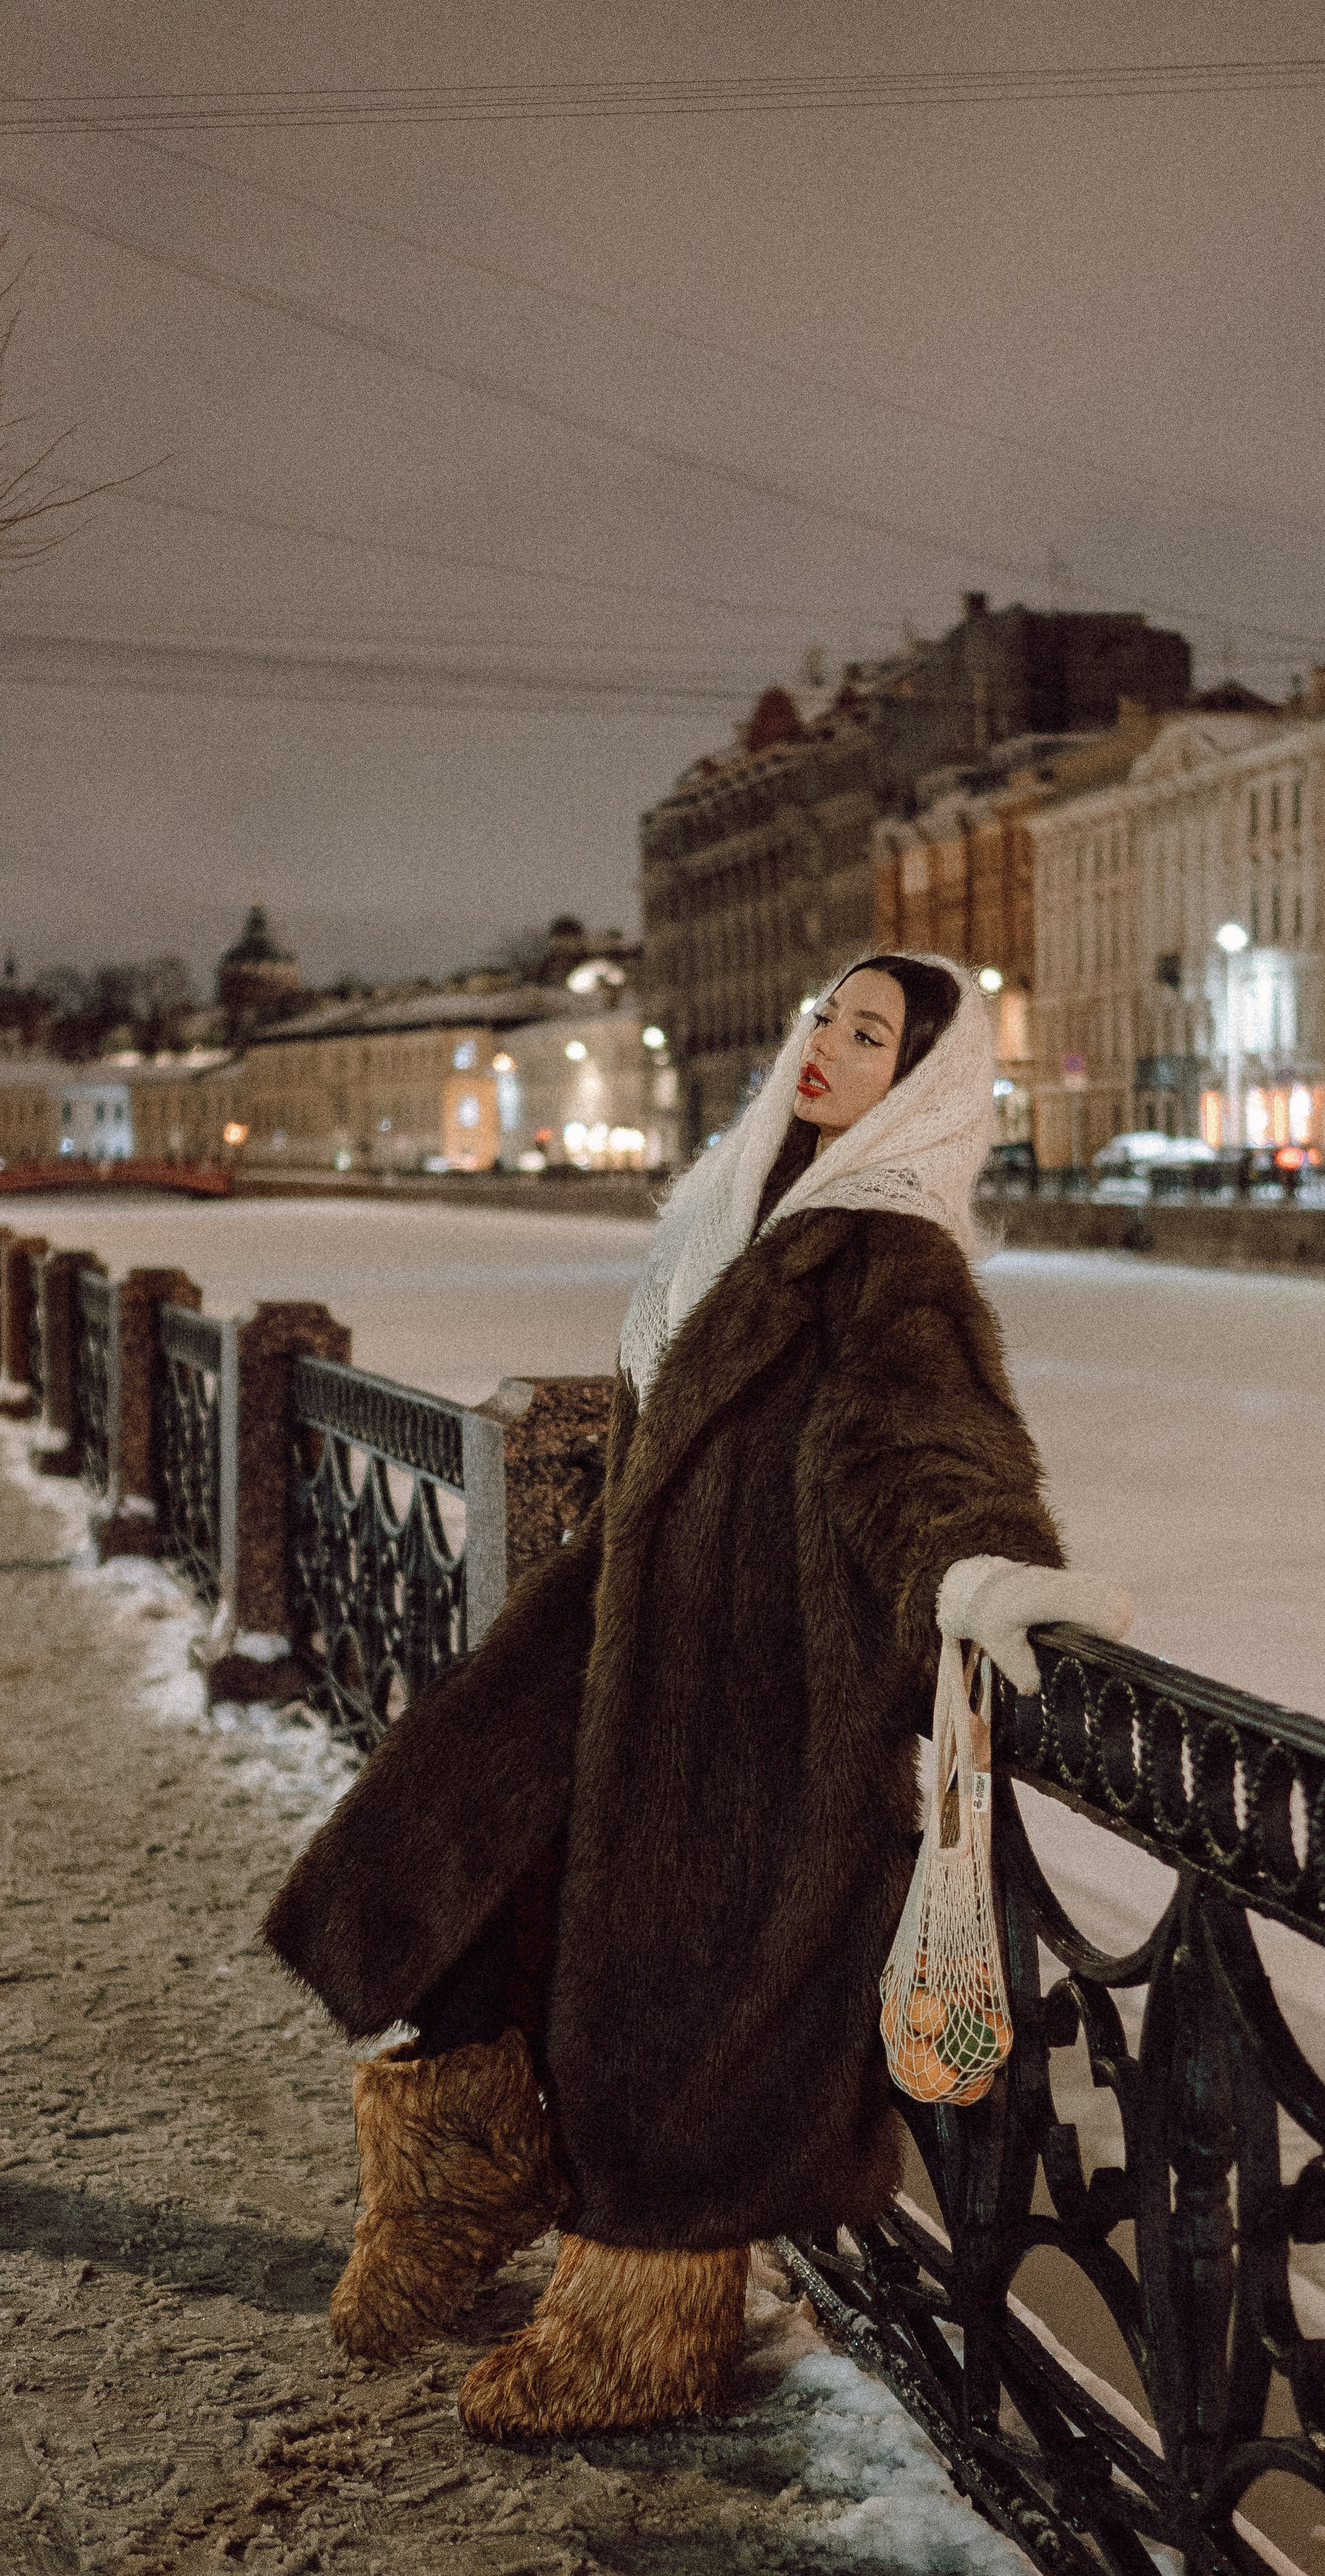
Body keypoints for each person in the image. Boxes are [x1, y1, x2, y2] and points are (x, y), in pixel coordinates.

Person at [264, 953, 1130, 2440]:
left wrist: (980, 1569)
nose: (827, 1045)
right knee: (457, 1874)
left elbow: (923, 1443)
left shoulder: (886, 1250)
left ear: (922, 1085)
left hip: (746, 1693)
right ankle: (457, 2174)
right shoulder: (743, 1209)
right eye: (827, 1017)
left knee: (677, 2021)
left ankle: (639, 2336)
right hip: (617, 1625)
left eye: (872, 1035)